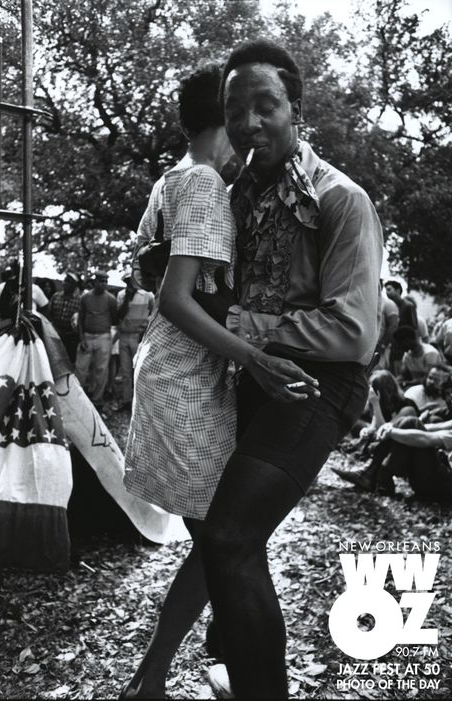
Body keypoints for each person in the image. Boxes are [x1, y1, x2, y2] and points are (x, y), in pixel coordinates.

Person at [190, 39, 383, 700]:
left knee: (231, 535)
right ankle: (238, 658)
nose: (247, 123)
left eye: (264, 105)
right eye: (234, 111)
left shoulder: (341, 199)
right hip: (247, 377)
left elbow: (353, 330)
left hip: (317, 384)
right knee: (212, 526)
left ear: (295, 108)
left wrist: (243, 328)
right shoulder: (230, 198)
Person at [120, 63, 315, 700]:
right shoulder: (204, 182)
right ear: (222, 117)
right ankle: (162, 679)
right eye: (240, 111)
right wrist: (256, 358)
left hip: (173, 370)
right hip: (186, 376)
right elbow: (177, 298)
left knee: (218, 544)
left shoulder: (170, 180)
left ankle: (155, 677)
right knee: (223, 543)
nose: (252, 126)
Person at [332, 370, 418, 490]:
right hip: (385, 448)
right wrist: (365, 433)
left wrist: (376, 404)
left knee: (386, 437)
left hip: (406, 452)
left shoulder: (407, 407)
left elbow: (386, 432)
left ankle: (366, 475)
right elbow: (374, 429)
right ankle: (366, 475)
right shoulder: (382, 406)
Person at [374, 417, 452, 501]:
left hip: (443, 486)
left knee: (410, 425)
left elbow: (426, 440)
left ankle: (377, 474)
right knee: (410, 423)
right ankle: (378, 475)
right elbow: (438, 428)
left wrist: (391, 432)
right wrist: (393, 426)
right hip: (440, 481)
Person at [74, 270, 118, 410]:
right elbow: (80, 319)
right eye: (101, 281)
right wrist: (81, 339)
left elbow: (114, 319)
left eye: (106, 281)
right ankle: (76, 399)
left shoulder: (111, 299)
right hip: (87, 336)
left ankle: (97, 399)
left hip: (103, 337)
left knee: (101, 370)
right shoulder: (85, 297)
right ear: (95, 282)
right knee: (81, 369)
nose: (104, 284)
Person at [115, 270, 154, 411]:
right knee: (125, 372)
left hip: (139, 336)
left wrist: (144, 328)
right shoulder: (121, 295)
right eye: (126, 283)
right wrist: (127, 299)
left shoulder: (147, 295)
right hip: (124, 335)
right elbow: (119, 315)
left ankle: (141, 404)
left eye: (130, 282)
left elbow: (154, 312)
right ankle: (127, 400)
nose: (129, 285)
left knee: (140, 371)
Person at [48, 270, 81, 363]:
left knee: (69, 361)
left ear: (74, 285)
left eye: (69, 282)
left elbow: (81, 319)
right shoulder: (56, 296)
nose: (65, 283)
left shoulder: (79, 300)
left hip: (71, 336)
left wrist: (73, 333)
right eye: (65, 280)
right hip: (55, 332)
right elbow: (49, 313)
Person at [384, 281, 417, 374]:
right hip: (391, 346)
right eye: (386, 290)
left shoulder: (408, 306)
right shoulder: (388, 306)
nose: (387, 292)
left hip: (403, 346)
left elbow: (414, 327)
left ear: (398, 290)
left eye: (389, 289)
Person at [375, 281, 399, 370]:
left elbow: (393, 326)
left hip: (381, 349)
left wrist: (382, 345)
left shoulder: (388, 304)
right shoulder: (366, 303)